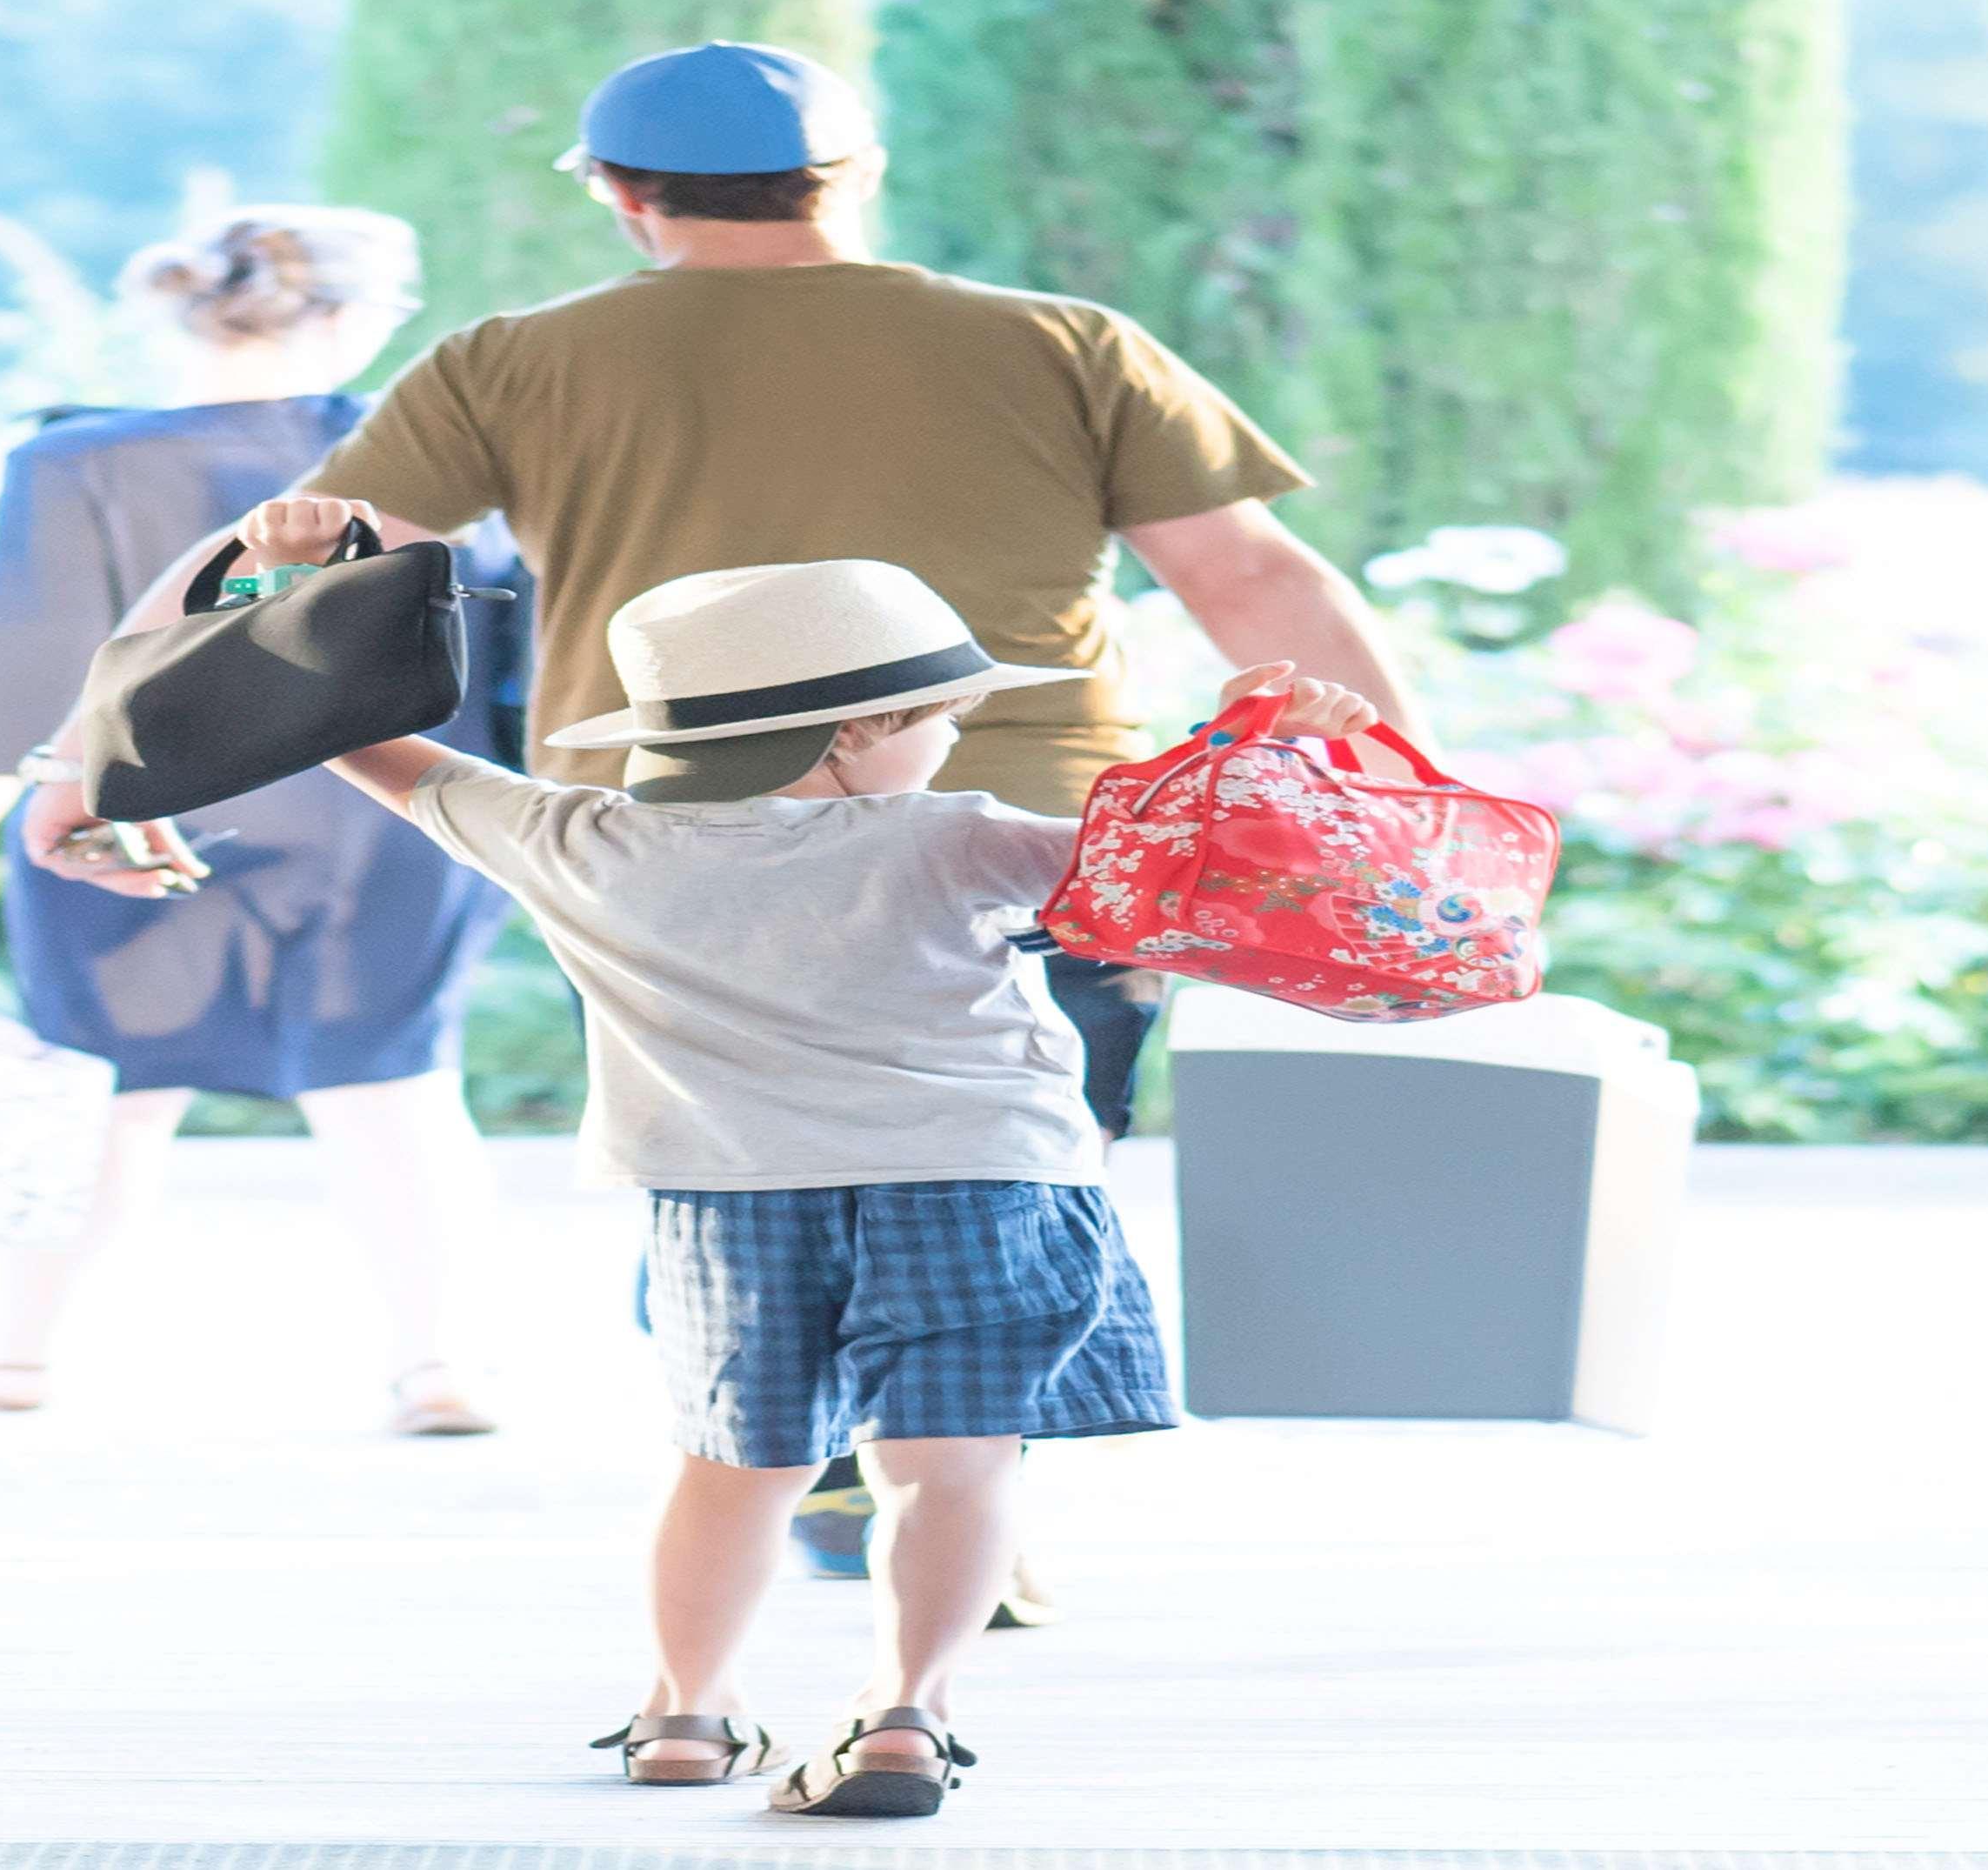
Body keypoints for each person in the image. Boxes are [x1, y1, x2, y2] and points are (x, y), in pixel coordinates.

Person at [10, 44, 1430, 1549]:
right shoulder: (1066, 341)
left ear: (626, 200)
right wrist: (1399, 807)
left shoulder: (511, 361)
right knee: (1014, 1161)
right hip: (1030, 836)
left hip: (673, 849)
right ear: (856, 177)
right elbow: (1254, 577)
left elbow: (279, 559)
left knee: (725, 1160)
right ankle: (953, 1492)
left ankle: (786, 1431)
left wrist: (86, 757)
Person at [245, 507, 1379, 1815]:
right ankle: (906, 1713)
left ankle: (683, 1711)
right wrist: (1263, 747)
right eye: (940, 711)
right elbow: (1186, 875)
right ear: (854, 734)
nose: (952, 733)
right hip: (986, 1181)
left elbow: (357, 744)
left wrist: (288, 594)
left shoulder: (576, 841)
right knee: (953, 1463)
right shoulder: (958, 836)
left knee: (737, 1469)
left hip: (735, 1202)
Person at [0, 208, 528, 1436]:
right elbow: (504, 650)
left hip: (129, 811)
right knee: (394, 1083)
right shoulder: (446, 456)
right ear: (345, 315)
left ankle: (14, 1353)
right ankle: (438, 1364)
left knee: (103, 1091)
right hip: (393, 815)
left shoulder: (72, 461)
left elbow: (31, 666)